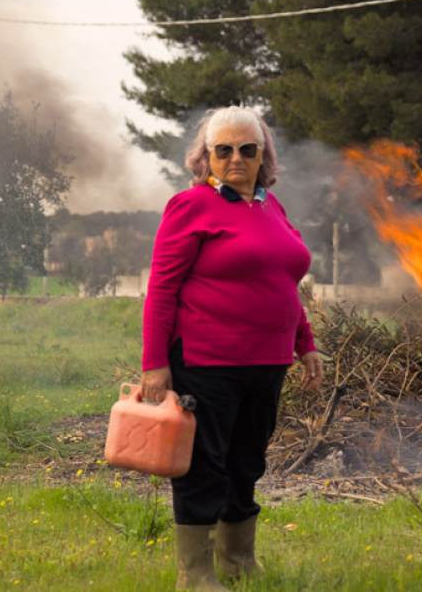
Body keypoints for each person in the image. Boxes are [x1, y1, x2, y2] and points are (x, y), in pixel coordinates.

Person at [140, 106, 323, 591]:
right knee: (204, 465)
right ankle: (194, 574)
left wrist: (305, 343)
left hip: (267, 363)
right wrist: (155, 365)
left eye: (248, 149)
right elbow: (161, 289)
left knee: (248, 462)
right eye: (224, 150)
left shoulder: (271, 207)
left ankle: (238, 561)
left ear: (264, 156)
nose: (236, 158)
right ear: (206, 157)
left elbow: (284, 282)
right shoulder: (191, 206)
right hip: (206, 362)